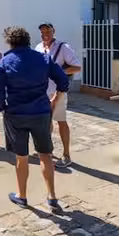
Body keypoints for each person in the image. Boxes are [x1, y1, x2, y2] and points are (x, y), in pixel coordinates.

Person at [0, 26, 69, 211]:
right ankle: (52, 196)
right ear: (28, 40)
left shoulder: (5, 62)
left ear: (10, 42)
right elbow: (63, 81)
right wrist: (55, 99)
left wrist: (3, 109)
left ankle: (22, 195)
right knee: (46, 155)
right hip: (41, 112)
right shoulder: (43, 58)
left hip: (16, 114)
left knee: (22, 157)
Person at [35, 22, 82, 168]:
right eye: (42, 32)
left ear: (53, 31)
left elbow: (77, 67)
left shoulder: (63, 47)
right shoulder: (38, 47)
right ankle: (47, 150)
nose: (45, 34)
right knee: (45, 121)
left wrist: (58, 70)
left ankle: (66, 155)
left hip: (58, 91)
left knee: (61, 121)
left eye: (47, 31)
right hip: (42, 91)